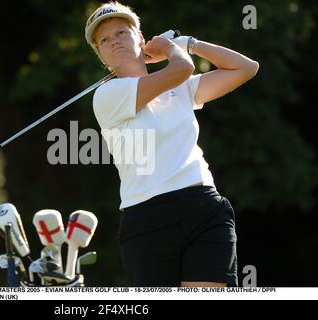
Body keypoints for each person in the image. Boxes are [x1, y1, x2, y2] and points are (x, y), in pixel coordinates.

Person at [85, 1, 259, 287]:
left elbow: (245, 68)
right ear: (102, 57)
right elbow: (181, 68)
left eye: (121, 32)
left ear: (140, 39)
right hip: (147, 217)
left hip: (204, 205)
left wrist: (190, 42)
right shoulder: (107, 96)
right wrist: (170, 49)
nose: (114, 41)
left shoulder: (180, 88)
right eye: (104, 40)